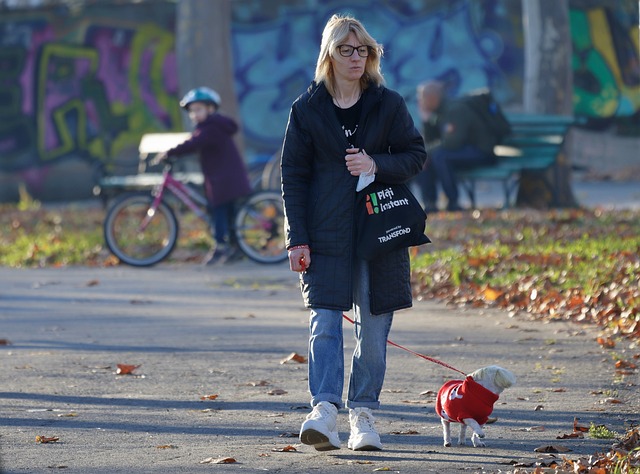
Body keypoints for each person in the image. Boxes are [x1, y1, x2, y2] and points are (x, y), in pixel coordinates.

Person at [280, 14, 427, 452]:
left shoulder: (388, 104)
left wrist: (376, 164)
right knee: (324, 324)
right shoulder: (306, 109)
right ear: (329, 54)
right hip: (324, 234)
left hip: (379, 232)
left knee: (374, 331)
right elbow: (293, 176)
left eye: (363, 49)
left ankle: (363, 413)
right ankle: (323, 411)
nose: (356, 57)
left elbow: (416, 154)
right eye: (346, 49)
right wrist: (296, 237)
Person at [155, 87, 252, 265]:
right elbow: (198, 143)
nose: (194, 114)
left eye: (198, 109)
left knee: (219, 212)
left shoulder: (211, 129)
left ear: (211, 109)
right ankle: (235, 247)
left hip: (224, 180)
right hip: (226, 178)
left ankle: (221, 246)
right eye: (192, 111)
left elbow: (193, 143)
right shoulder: (212, 127)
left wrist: (169, 153)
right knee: (228, 213)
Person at [414, 80, 498, 212]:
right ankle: (430, 204)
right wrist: (426, 120)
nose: (420, 101)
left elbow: (452, 143)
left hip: (482, 153)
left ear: (432, 98)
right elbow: (432, 141)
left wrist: (425, 153)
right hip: (462, 152)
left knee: (439, 156)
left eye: (421, 98)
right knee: (427, 158)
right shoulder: (439, 111)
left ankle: (453, 203)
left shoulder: (454, 110)